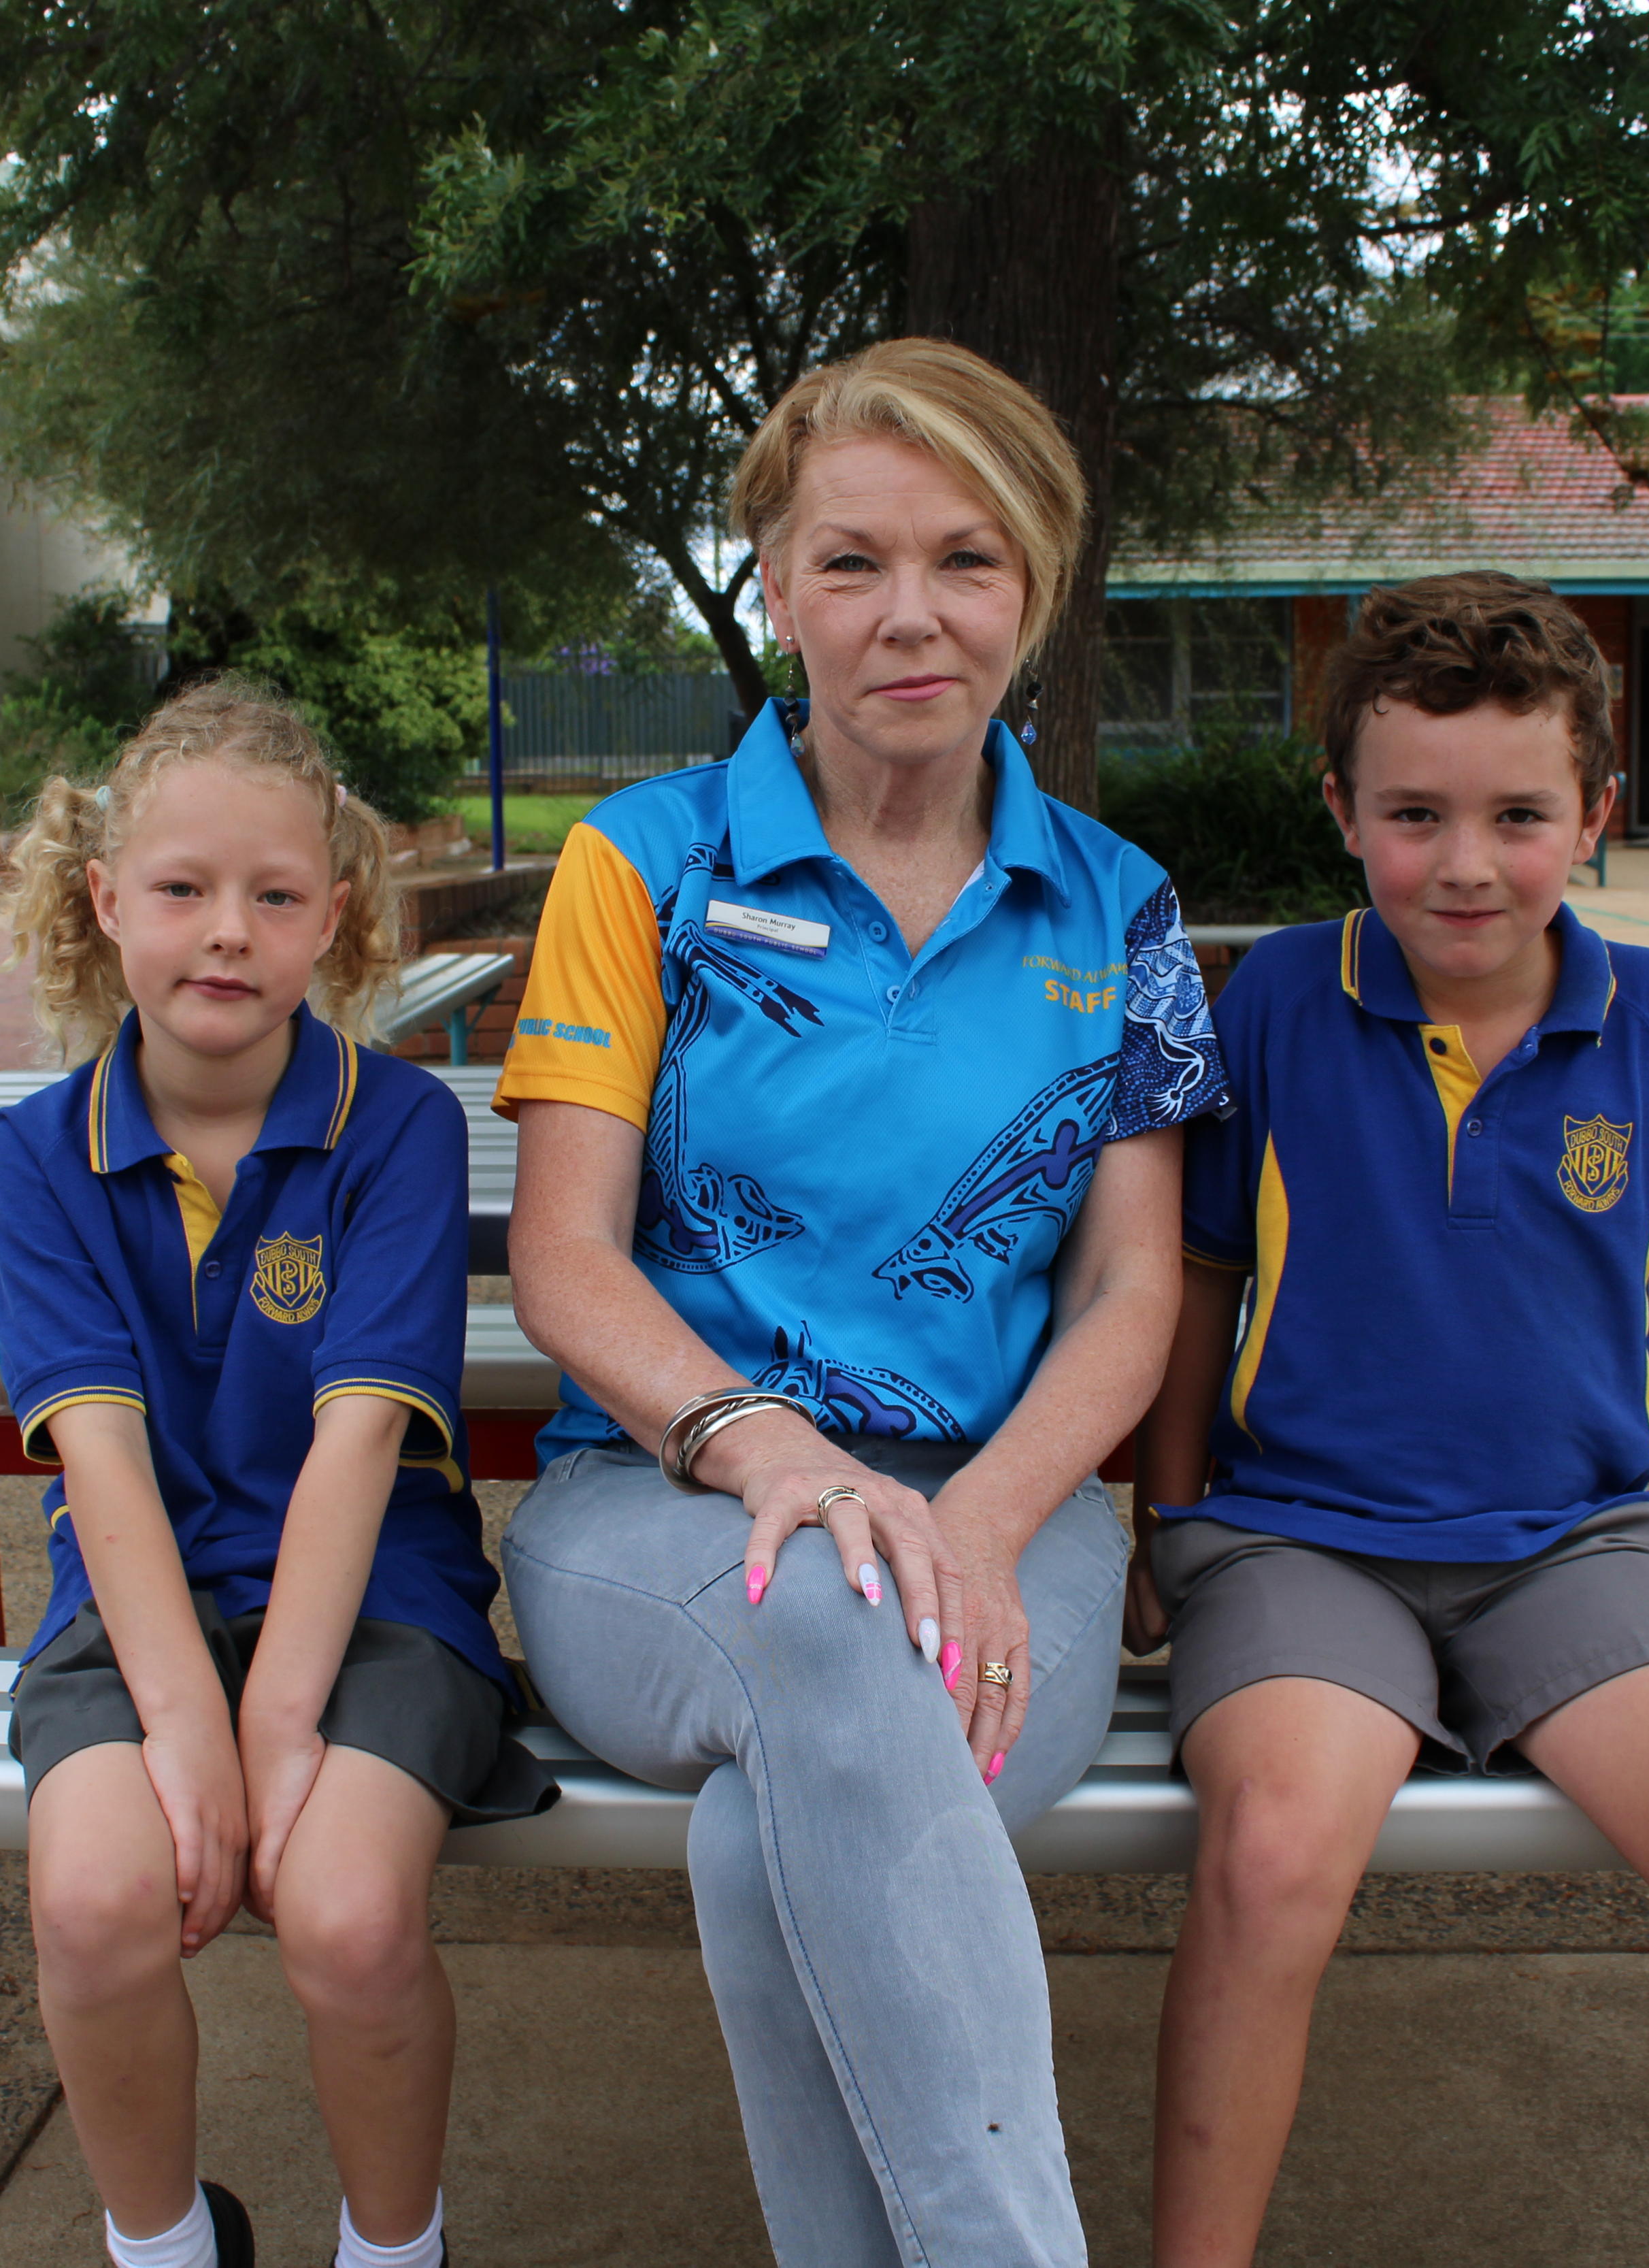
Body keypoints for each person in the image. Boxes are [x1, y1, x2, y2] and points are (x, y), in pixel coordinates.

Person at [496, 336, 1225, 2265]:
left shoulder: (1121, 905)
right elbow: (564, 1253)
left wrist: (974, 1521)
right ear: (777, 587)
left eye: (967, 558)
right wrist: (774, 1456)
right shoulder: (642, 861)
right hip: (659, 1505)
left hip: (1010, 1516)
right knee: (823, 1609)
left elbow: (1133, 1282)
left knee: (778, 1824)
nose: (912, 613)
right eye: (853, 561)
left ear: (1034, 587)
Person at [1133, 572, 1649, 2268]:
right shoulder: (1275, 999)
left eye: (1519, 815)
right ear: (1342, 811)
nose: (1465, 863)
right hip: (1301, 1542)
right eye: (1414, 815)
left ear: (1594, 814)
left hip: (1573, 1544)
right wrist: (1161, 1519)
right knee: (1273, 1853)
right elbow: (1197, 1279)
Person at [0, 678, 550, 2268]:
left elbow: (361, 1438)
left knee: (346, 1911)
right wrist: (186, 1727)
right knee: (95, 1901)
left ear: (336, 919)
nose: (227, 931)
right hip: (138, 1607)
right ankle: (165, 2247)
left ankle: (395, 2248)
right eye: (181, 888)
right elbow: (97, 1453)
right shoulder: (37, 1151)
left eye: (276, 896)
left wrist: (277, 1725)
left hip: (376, 1605)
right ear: (105, 900)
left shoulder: (400, 1127)